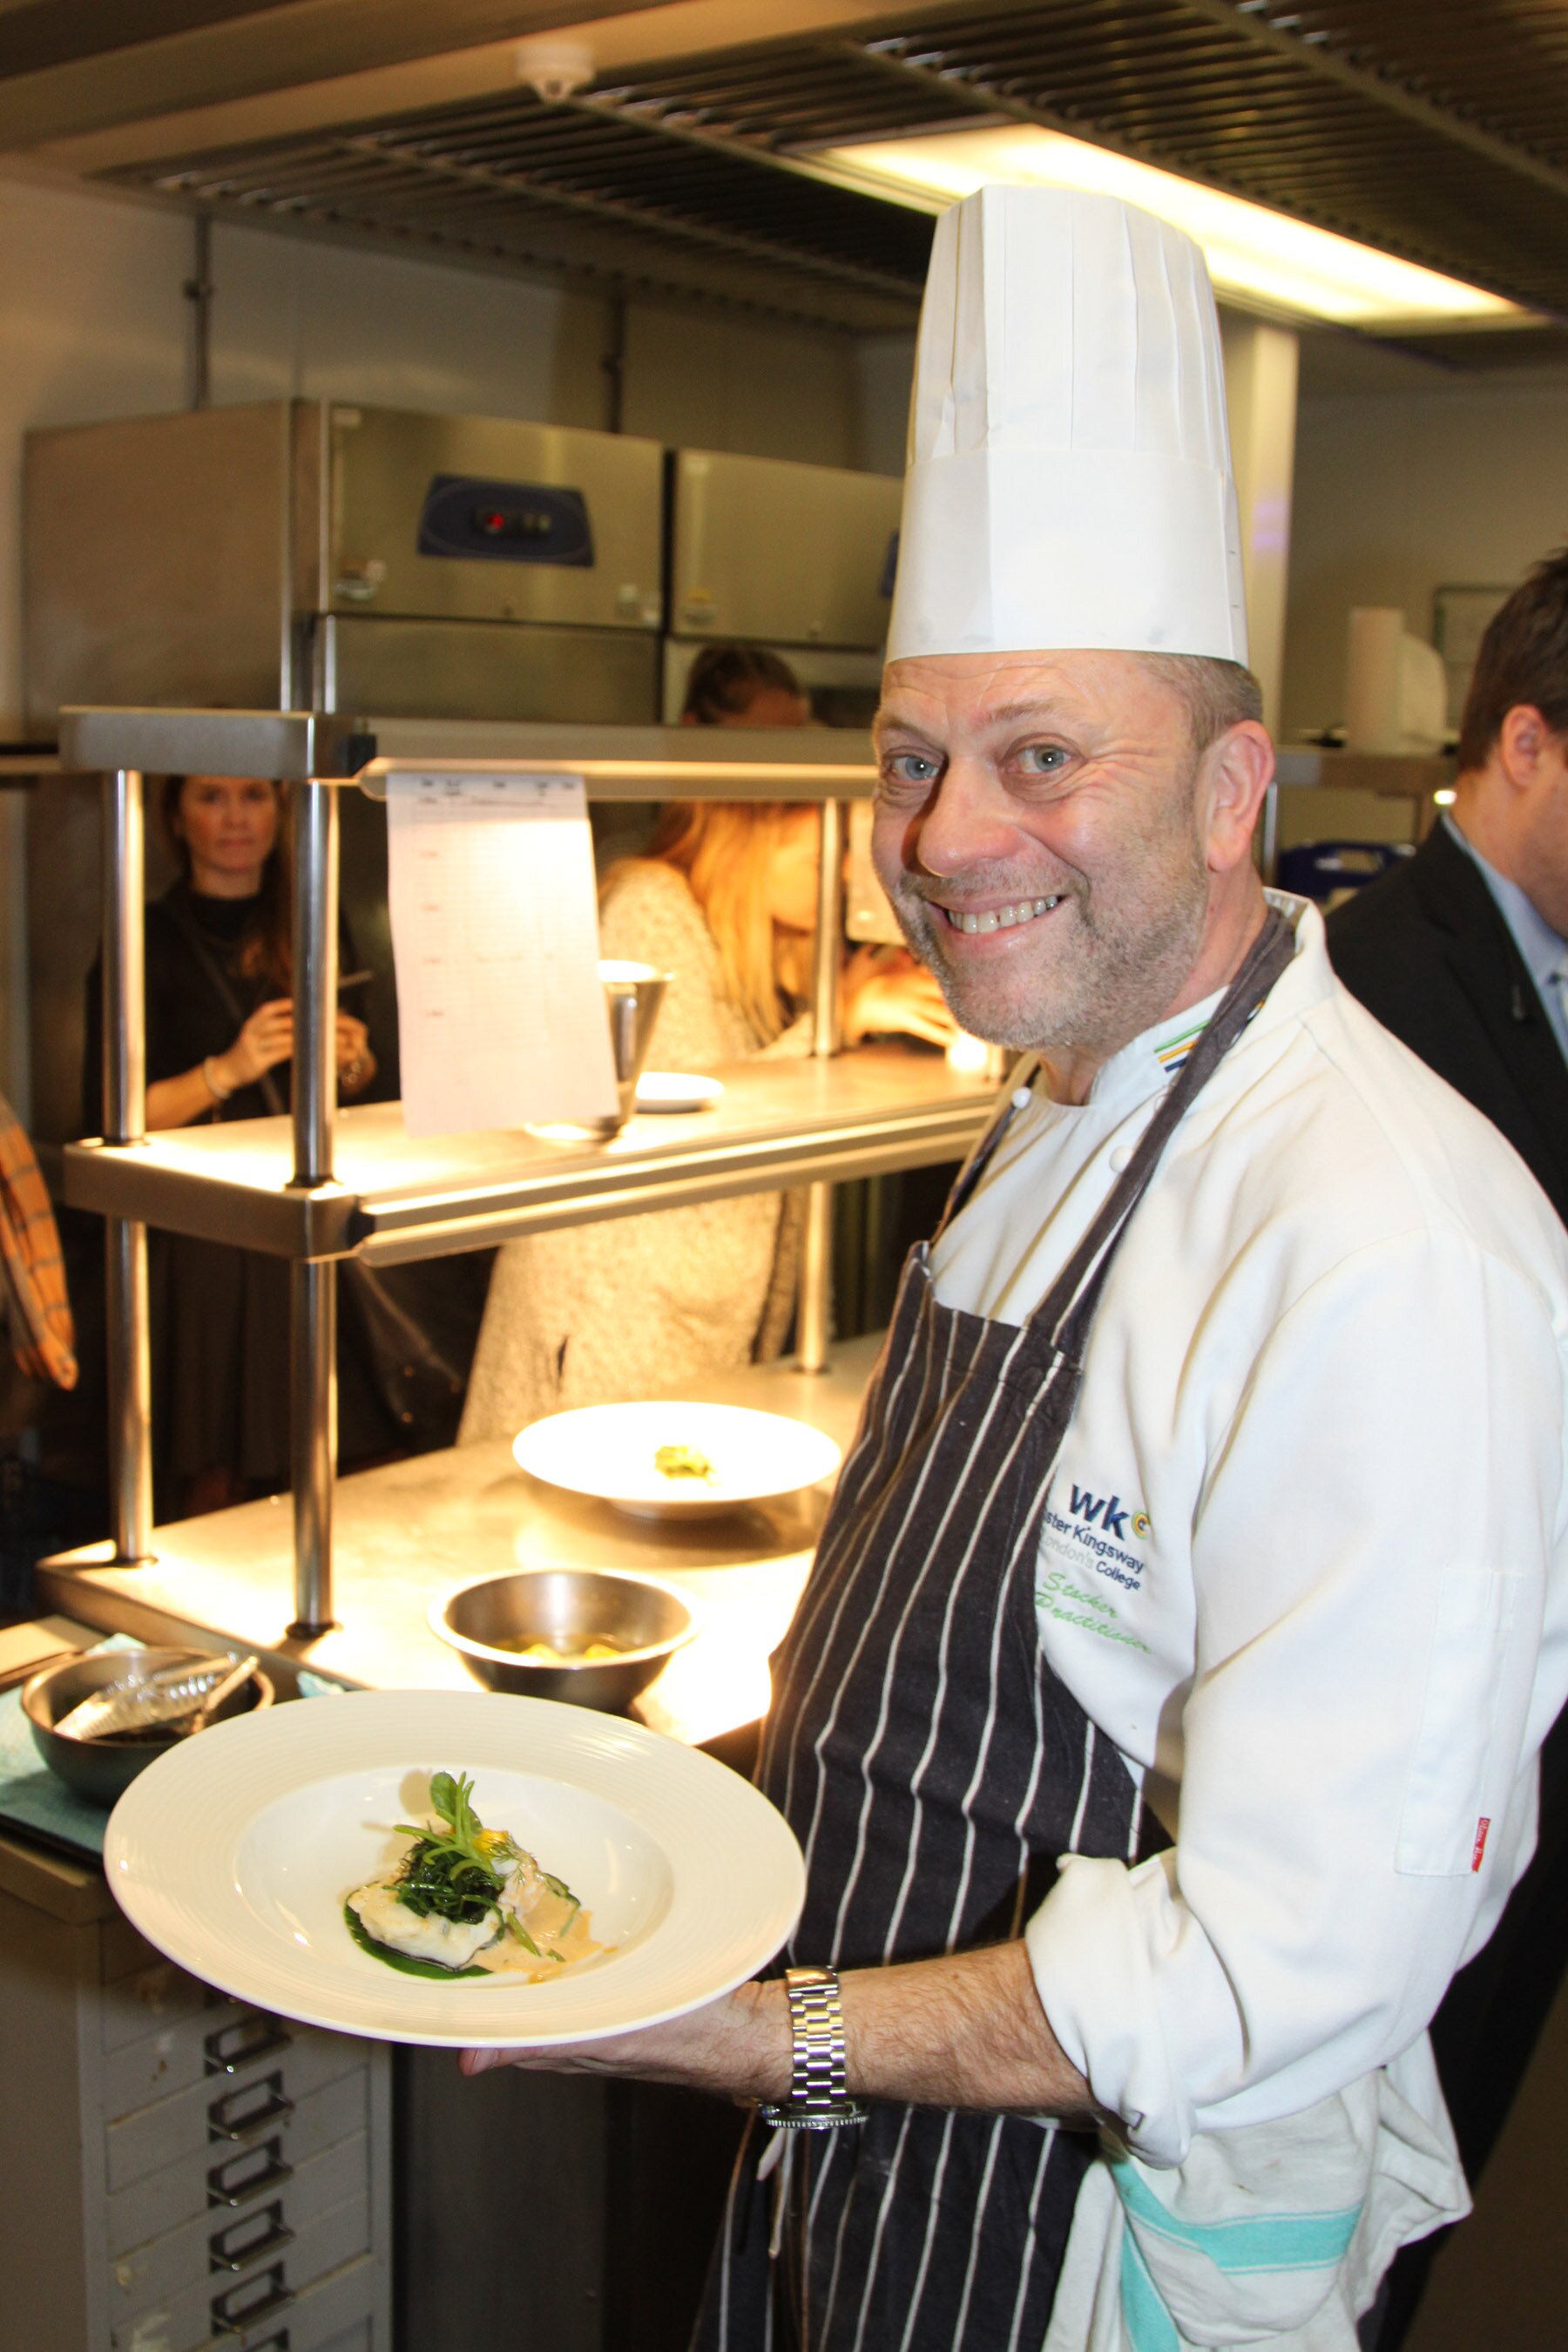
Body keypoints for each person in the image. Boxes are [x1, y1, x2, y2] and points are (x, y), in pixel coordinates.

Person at [459, 186, 1568, 2352]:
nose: (945, 835)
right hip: (858, 2139)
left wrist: (753, 2032)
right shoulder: (1065, 1080)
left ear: (1238, 786)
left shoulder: (1388, 1240)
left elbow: (1279, 1957)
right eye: (912, 756)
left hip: (1078, 2215)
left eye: (1045, 753)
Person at [1328, 557, 1568, 2344]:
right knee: (1370, 2165)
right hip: (1425, 1701)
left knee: (1466, 2127)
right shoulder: (1377, 978)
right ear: (1528, 744)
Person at [459, 647, 954, 1440]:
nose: (837, 884)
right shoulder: (651, 906)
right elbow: (672, 1104)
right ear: (754, 837)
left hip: (703, 1329)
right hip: (611, 1324)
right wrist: (842, 1016)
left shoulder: (766, 953)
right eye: (817, 858)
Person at [84, 772, 380, 1515]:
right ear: (175, 819)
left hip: (304, 1201)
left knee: (336, 1459)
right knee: (215, 1480)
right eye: (211, 798)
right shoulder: (142, 939)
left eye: (254, 796)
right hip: (203, 1244)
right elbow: (106, 1116)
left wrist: (349, 1058)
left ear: (282, 810)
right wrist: (228, 1069)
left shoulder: (314, 918)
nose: (236, 817)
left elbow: (366, 1086)